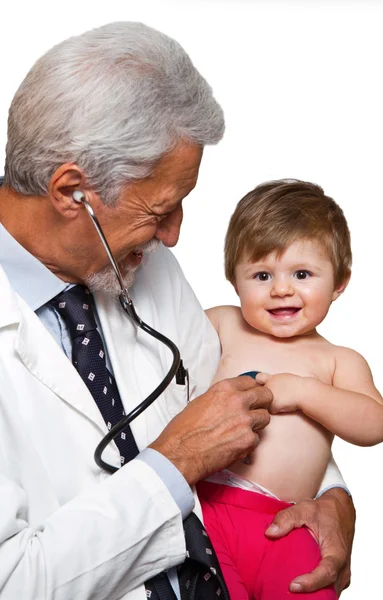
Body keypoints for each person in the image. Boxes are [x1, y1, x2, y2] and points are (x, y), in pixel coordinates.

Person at [0, 23, 355, 600]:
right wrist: (172, 464)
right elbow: (13, 582)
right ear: (71, 192)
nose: (174, 236)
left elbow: (237, 393)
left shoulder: (136, 256)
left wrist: (329, 497)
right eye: (161, 209)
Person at [198, 179, 383, 599]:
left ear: (339, 283)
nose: (281, 289)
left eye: (302, 274)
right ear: (234, 280)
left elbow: (376, 425)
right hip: (207, 506)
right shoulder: (222, 324)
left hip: (287, 522)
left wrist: (304, 393)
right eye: (262, 274)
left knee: (309, 587)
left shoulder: (337, 360)